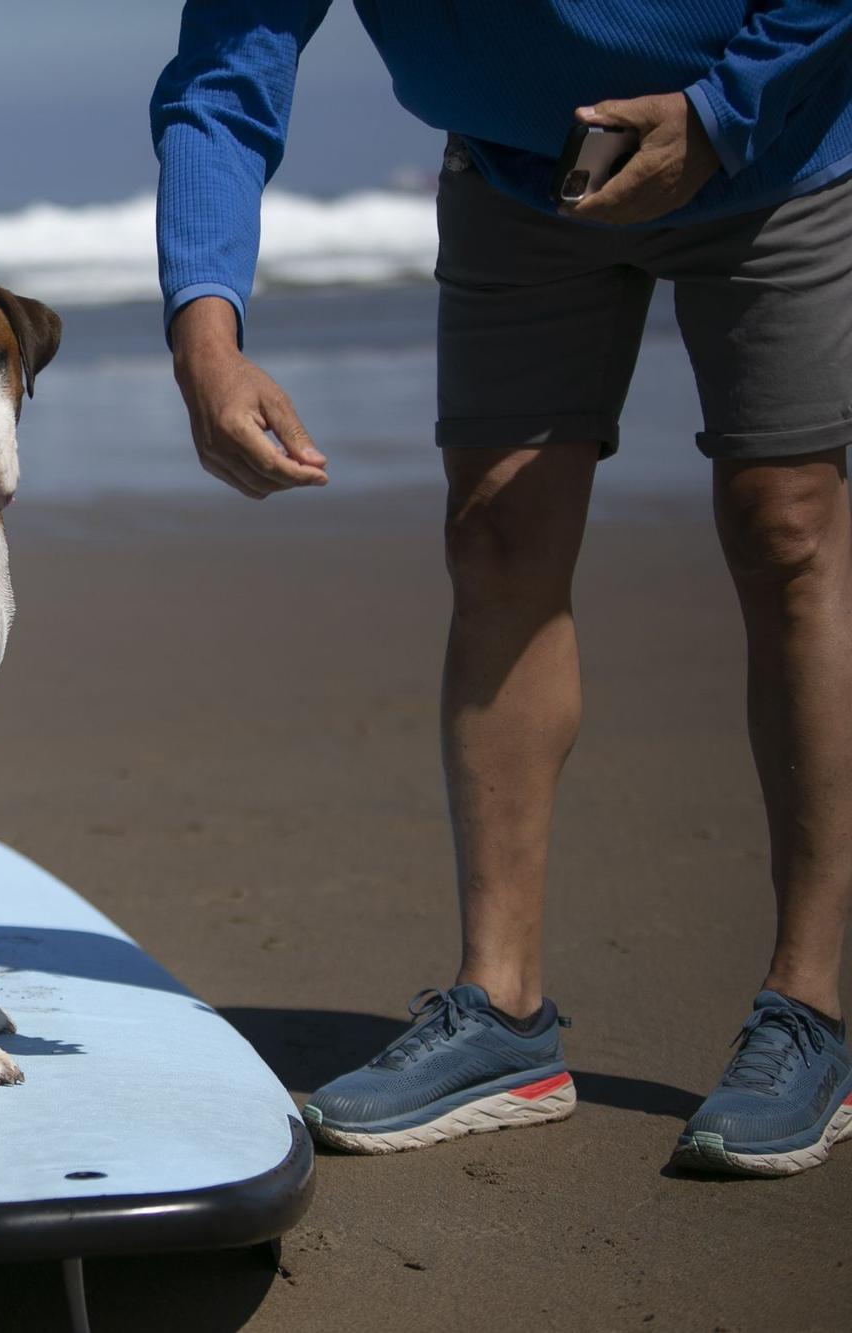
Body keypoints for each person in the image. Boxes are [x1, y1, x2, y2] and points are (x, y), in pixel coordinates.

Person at [155, 2, 852, 1174]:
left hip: (774, 141)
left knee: (784, 532)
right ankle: (502, 1012)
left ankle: (808, 1007)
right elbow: (224, 75)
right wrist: (203, 337)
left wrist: (719, 114)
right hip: (522, 178)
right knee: (495, 540)